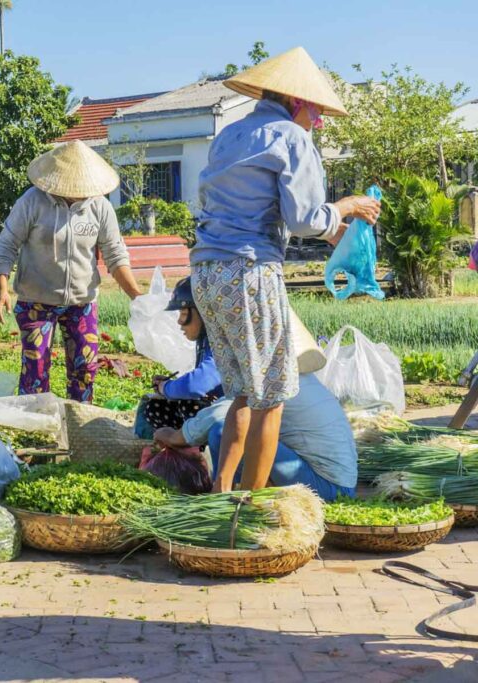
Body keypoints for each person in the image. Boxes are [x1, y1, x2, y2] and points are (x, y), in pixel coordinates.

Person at [190, 47, 381, 492]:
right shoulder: (292, 139)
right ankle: (252, 505)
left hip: (208, 272)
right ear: (297, 102)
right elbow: (304, 219)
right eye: (315, 111)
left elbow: (257, 209)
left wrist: (336, 231)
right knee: (272, 398)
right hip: (251, 273)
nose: (318, 121)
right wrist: (347, 206)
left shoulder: (230, 135)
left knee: (241, 390)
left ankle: (222, 494)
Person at [0, 141, 143, 403]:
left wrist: (137, 296)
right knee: (36, 370)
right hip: (36, 301)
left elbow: (115, 255)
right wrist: (2, 289)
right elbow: (7, 245)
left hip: (82, 303)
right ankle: (36, 426)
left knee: (84, 367)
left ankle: (78, 422)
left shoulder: (99, 207)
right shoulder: (32, 202)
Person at [152, 372, 357, 502]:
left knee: (222, 431)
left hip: (326, 489)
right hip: (341, 484)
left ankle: (232, 498)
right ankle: (243, 493)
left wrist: (171, 436)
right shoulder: (292, 371)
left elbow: (224, 415)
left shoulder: (267, 375)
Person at [134, 276, 223, 439]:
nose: (180, 322)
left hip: (232, 414)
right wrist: (171, 386)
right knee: (156, 407)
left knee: (189, 403)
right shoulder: (205, 341)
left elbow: (196, 386)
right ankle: (183, 456)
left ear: (204, 313)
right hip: (223, 409)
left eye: (183, 313)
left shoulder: (221, 343)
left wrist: (165, 387)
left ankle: (192, 452)